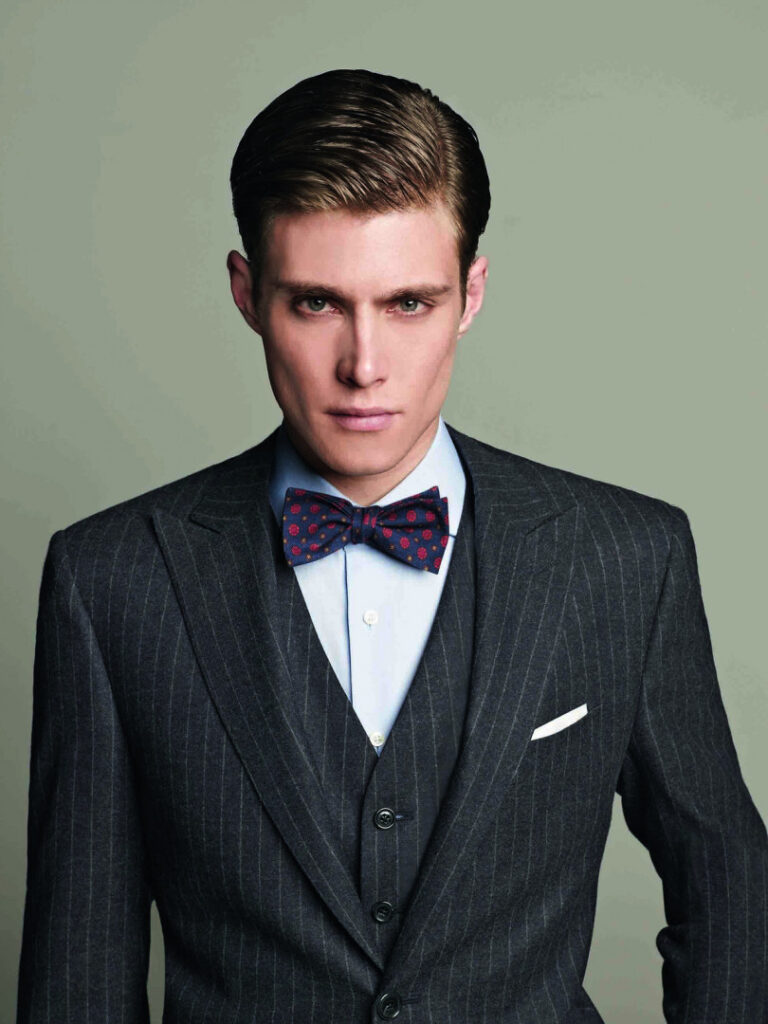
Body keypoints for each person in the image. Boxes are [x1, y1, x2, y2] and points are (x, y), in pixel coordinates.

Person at [16, 68, 767, 1024]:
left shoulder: (623, 559)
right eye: (316, 304)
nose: (364, 366)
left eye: (409, 303)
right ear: (247, 294)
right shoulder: (111, 580)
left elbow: (731, 887)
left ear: (471, 294)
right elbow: (77, 968)